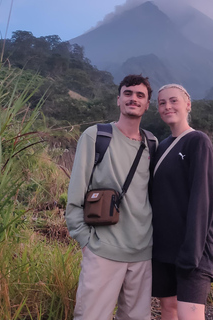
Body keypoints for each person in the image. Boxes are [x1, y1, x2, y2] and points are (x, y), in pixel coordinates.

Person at [65, 74, 156, 320]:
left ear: (148, 105)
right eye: (128, 93)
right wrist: (86, 241)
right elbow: (75, 194)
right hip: (102, 250)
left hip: (142, 253)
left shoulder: (152, 144)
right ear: (118, 100)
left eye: (140, 95)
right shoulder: (96, 136)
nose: (133, 99)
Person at [151, 84, 213, 320]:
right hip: (163, 248)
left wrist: (191, 254)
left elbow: (202, 199)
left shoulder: (197, 141)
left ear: (188, 105)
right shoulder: (160, 147)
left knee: (190, 315)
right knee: (168, 309)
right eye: (162, 103)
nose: (167, 106)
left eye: (174, 101)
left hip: (193, 250)